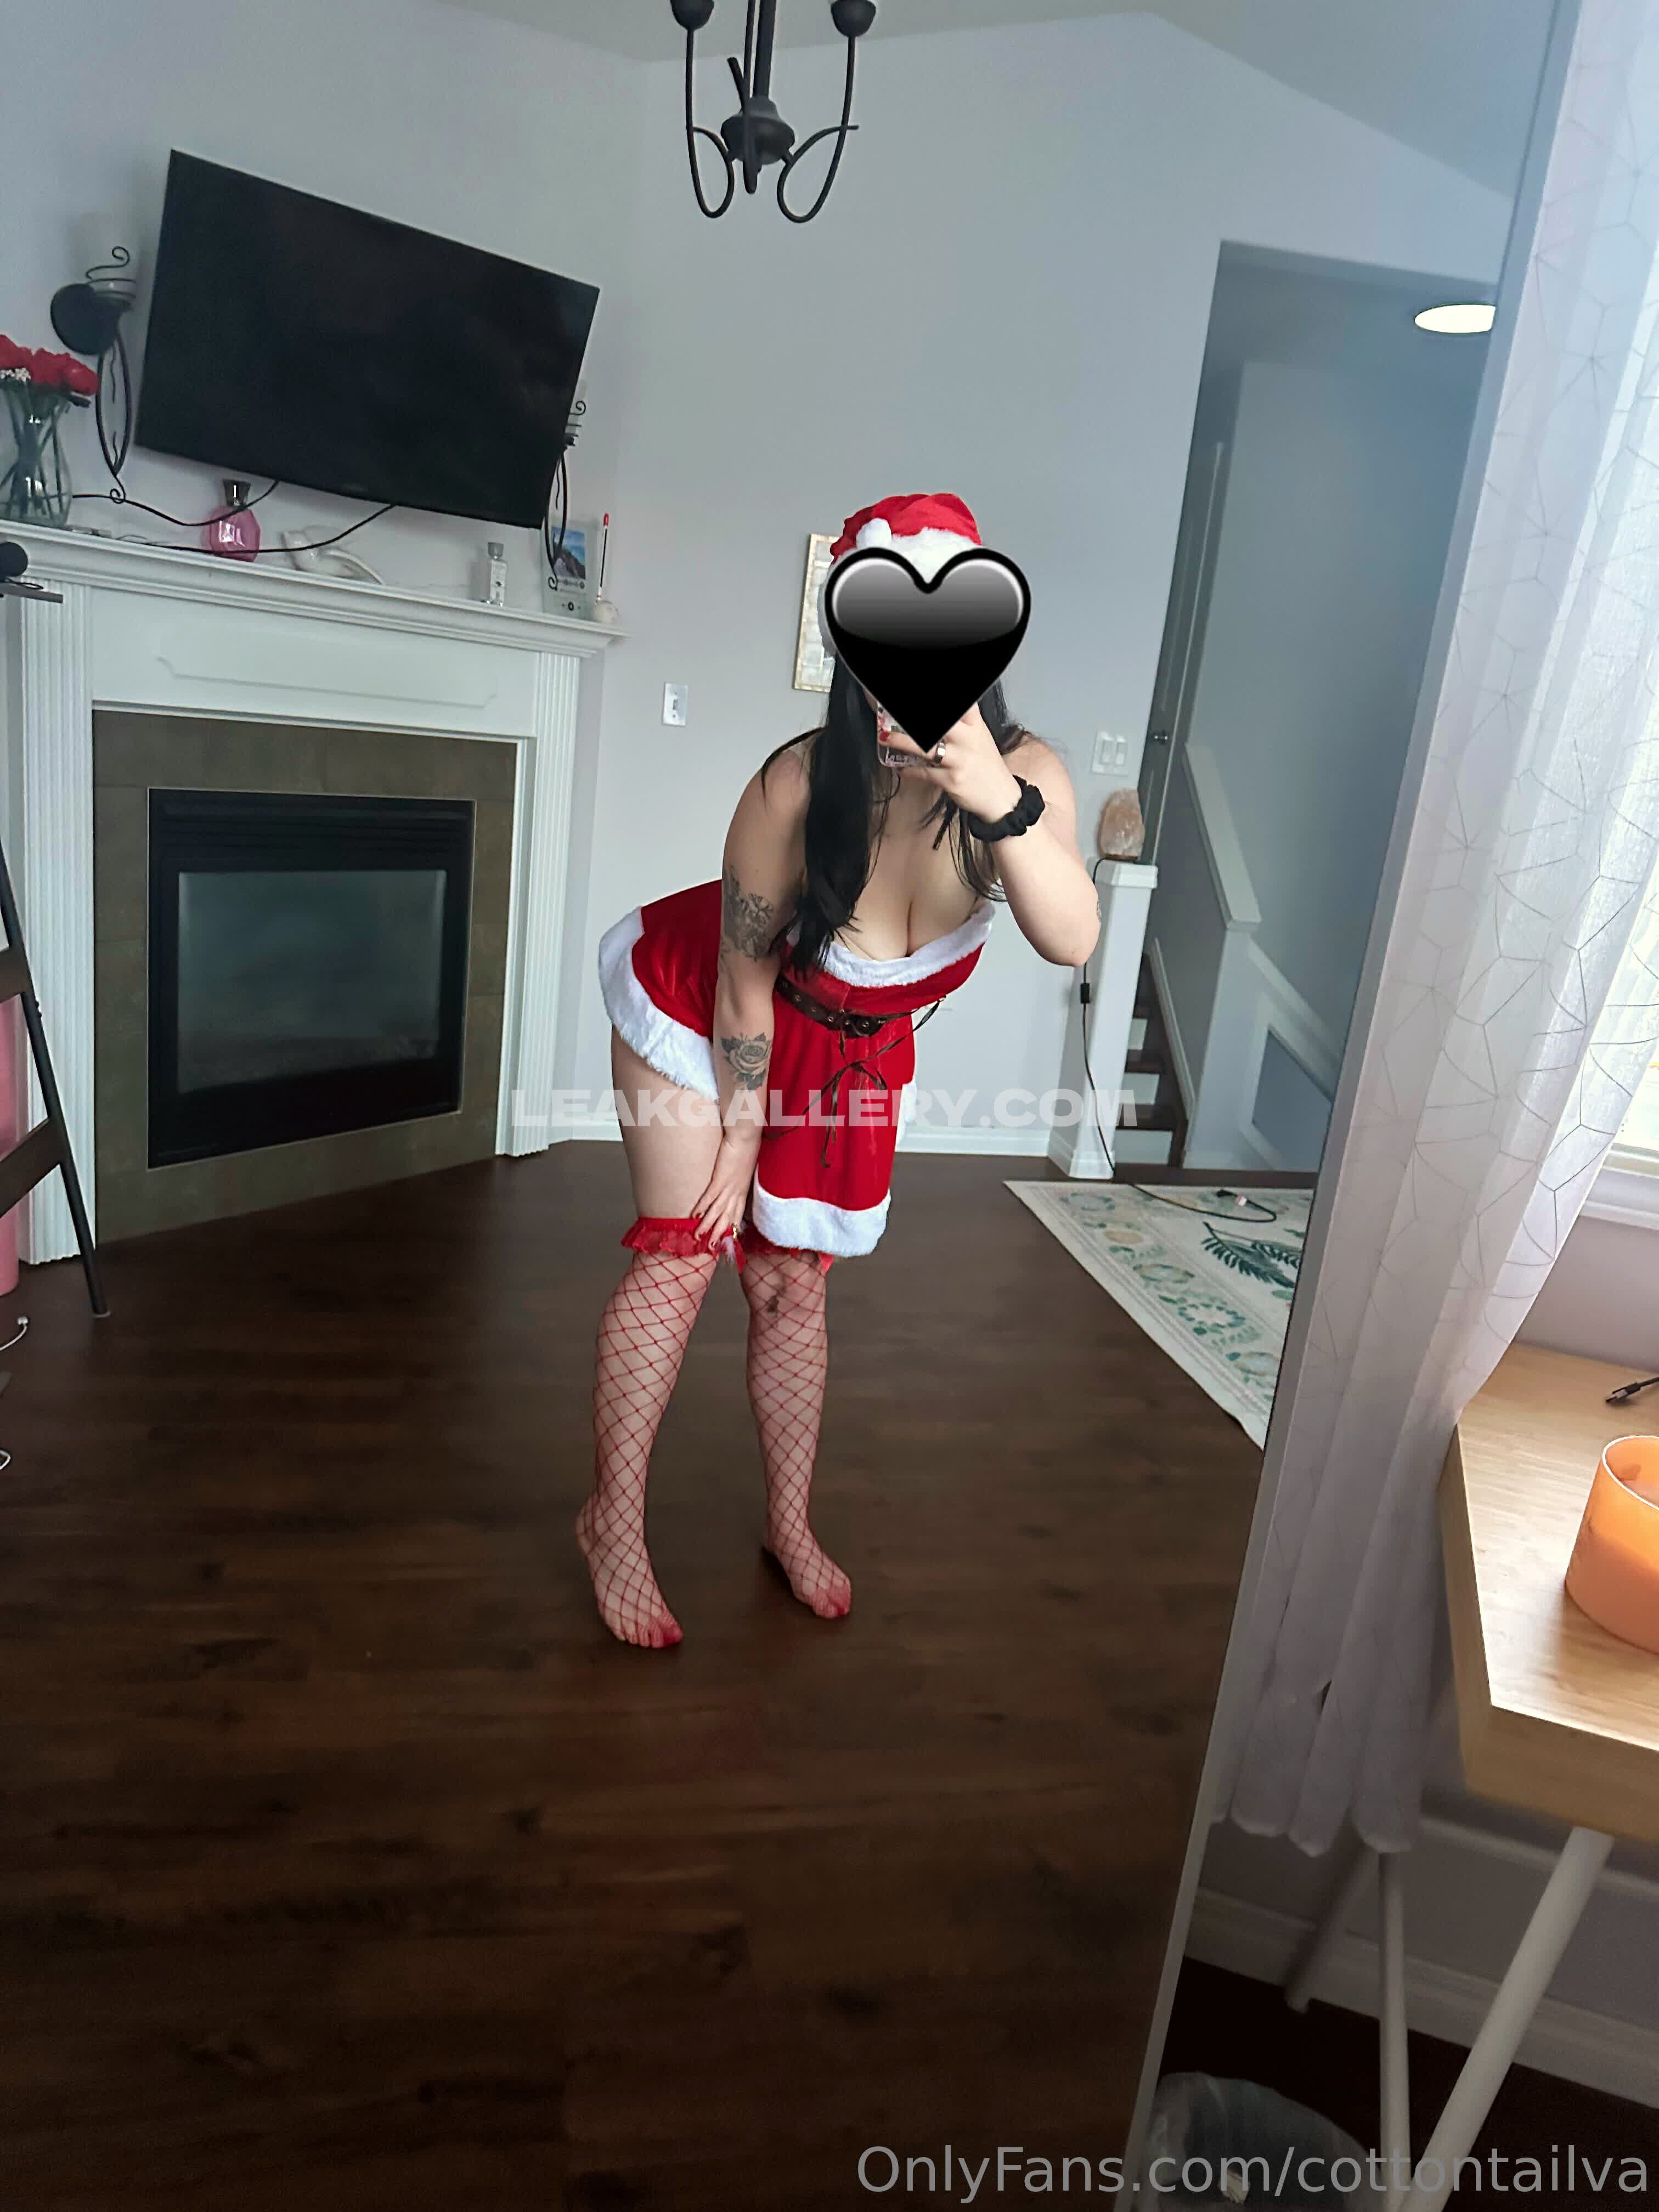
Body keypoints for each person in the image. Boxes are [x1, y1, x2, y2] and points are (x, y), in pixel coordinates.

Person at [578, 492, 1102, 1647]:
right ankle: (610, 1524)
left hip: (847, 1053)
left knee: (793, 1286)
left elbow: (1072, 938)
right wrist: (741, 1134)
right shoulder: (798, 784)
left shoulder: (1027, 777)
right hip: (706, 1006)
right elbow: (740, 981)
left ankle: (789, 1525)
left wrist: (994, 799)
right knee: (685, 1256)